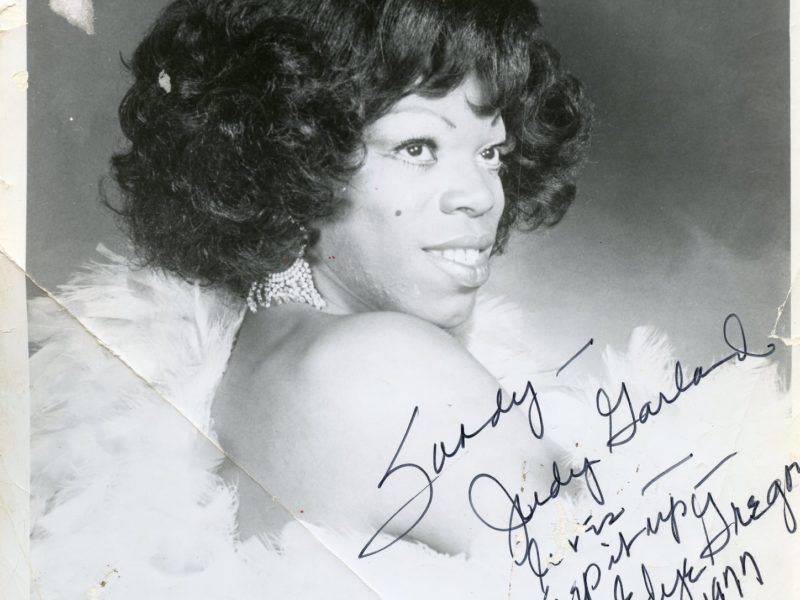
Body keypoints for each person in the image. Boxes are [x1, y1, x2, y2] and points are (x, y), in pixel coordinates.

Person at [29, 1, 788, 598]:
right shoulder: (380, 367)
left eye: (491, 151)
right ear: (296, 160)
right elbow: (678, 572)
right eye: (418, 148)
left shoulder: (254, 358)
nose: (481, 195)